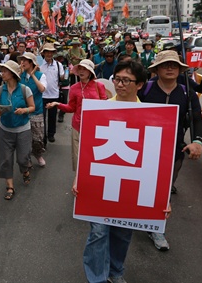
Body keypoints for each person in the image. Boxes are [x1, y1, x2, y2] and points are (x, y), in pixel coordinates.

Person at [74, 60, 171, 283]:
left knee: (122, 233)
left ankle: (115, 272)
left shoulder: (152, 116)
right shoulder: (100, 109)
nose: (119, 84)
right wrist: (79, 178)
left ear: (140, 85)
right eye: (117, 79)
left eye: (126, 80)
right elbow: (88, 151)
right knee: (98, 232)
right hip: (101, 183)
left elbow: (157, 160)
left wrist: (163, 198)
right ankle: (96, 277)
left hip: (130, 187)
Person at [138, 50, 202, 251]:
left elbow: (196, 120)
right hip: (142, 148)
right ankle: (132, 217)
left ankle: (156, 228)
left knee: (163, 190)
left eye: (174, 65)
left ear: (180, 70)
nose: (169, 68)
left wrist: (196, 141)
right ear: (156, 69)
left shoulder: (187, 93)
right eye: (165, 65)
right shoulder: (145, 90)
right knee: (139, 185)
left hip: (173, 151)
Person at [46, 60, 107, 171]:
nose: (82, 71)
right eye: (80, 69)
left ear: (90, 72)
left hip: (95, 128)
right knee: (77, 157)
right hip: (77, 126)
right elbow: (71, 108)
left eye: (85, 69)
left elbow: (104, 107)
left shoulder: (99, 86)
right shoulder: (74, 88)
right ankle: (77, 182)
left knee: (93, 156)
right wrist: (57, 104)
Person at [0, 61, 35, 200]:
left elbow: (32, 107)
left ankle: (25, 170)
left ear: (13, 74)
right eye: (2, 70)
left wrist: (24, 110)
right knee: (5, 159)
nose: (2, 73)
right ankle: (9, 186)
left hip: (23, 129)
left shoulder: (24, 90)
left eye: (5, 71)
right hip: (5, 129)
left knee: (23, 158)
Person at [18, 53, 47, 167]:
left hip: (36, 111)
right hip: (22, 111)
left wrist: (33, 75)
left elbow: (42, 89)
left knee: (38, 138)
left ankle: (38, 154)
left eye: (25, 60)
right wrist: (19, 72)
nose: (23, 62)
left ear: (32, 63)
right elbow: (11, 85)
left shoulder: (41, 75)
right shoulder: (20, 75)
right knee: (24, 138)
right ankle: (27, 158)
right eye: (22, 60)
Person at [40, 43, 65, 144]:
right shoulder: (39, 65)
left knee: (52, 116)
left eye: (51, 52)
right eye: (47, 52)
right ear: (44, 53)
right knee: (42, 117)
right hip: (42, 95)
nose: (49, 54)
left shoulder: (58, 65)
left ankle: (51, 134)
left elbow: (62, 77)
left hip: (54, 94)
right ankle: (43, 136)